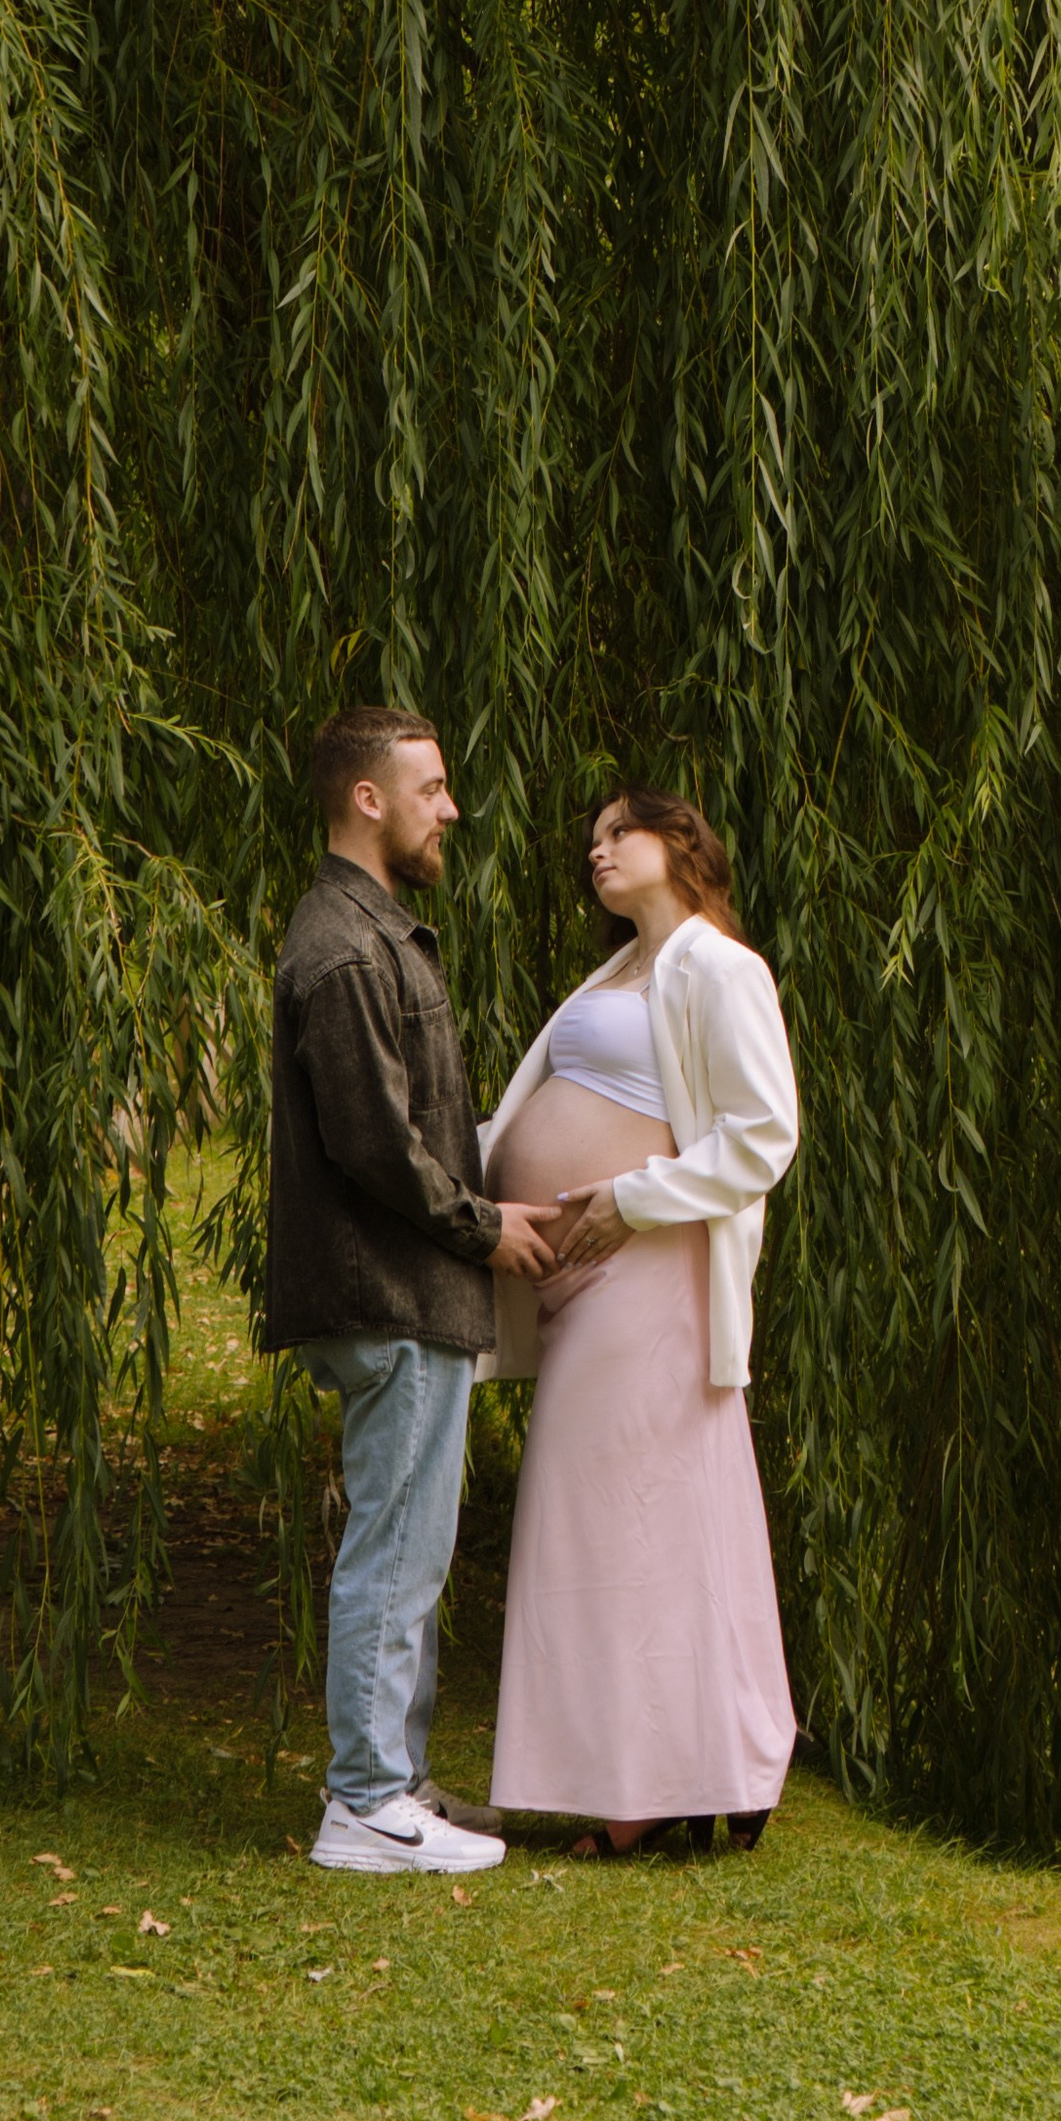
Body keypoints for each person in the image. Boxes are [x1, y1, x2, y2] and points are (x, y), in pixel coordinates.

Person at [266, 705, 559, 1875]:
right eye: (431, 788)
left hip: (407, 1294)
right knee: (394, 1545)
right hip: (385, 1292)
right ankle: (364, 1805)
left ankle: (403, 1786)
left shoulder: (374, 931)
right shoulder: (342, 946)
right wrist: (484, 1229)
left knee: (415, 1543)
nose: (451, 808)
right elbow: (375, 1143)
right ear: (367, 800)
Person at [480, 787, 798, 1851]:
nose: (597, 848)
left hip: (649, 1273)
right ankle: (664, 1776)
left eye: (622, 832)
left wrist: (629, 1195)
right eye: (594, 834)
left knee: (626, 1522)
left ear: (681, 844)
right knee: (615, 1523)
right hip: (582, 1280)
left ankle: (650, 1793)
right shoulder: (619, 969)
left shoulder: (718, 966)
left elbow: (764, 1136)